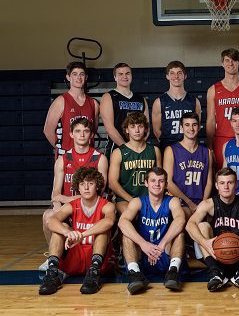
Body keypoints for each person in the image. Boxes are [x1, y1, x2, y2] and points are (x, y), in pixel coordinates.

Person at [186, 168, 239, 292]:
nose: (226, 186)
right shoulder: (208, 204)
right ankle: (215, 273)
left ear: (236, 184)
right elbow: (189, 225)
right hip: (215, 255)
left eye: (230, 182)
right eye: (222, 183)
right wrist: (204, 243)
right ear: (216, 185)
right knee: (202, 226)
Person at [38, 167, 116, 295]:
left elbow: (109, 222)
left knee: (103, 231)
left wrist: (82, 235)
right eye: (82, 184)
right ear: (77, 188)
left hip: (97, 257)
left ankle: (93, 273)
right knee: (60, 227)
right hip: (75, 256)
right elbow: (51, 221)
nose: (86, 188)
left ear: (97, 186)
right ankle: (52, 273)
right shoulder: (72, 205)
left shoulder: (107, 205)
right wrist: (67, 232)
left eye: (90, 184)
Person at [41, 118, 108, 257]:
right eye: (77, 131)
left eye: (86, 131)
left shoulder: (100, 159)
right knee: (48, 216)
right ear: (71, 134)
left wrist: (67, 198)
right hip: (69, 210)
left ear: (91, 135)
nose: (82, 135)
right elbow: (55, 192)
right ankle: (54, 257)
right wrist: (57, 206)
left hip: (90, 209)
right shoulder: (63, 160)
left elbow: (98, 192)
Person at [118, 167, 186, 294]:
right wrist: (144, 244)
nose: (157, 184)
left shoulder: (172, 201)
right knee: (126, 236)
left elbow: (180, 220)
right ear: (146, 183)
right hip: (143, 254)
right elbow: (122, 222)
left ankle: (173, 272)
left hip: (165, 252)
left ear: (166, 184)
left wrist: (162, 244)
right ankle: (135, 273)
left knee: (180, 234)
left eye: (161, 181)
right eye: (153, 180)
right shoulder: (137, 202)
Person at [206, 48, 239, 171]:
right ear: (222, 63)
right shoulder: (213, 90)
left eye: (234, 60)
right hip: (221, 139)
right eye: (227, 60)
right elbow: (210, 120)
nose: (230, 64)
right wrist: (210, 147)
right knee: (222, 177)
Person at [163, 112, 213, 219]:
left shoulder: (207, 152)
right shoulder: (171, 150)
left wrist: (203, 204)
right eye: (187, 125)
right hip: (178, 200)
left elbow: (209, 182)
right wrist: (189, 202)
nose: (191, 128)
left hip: (200, 201)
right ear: (181, 128)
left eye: (194, 125)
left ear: (199, 127)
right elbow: (168, 182)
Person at [109, 112, 162, 214]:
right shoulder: (118, 152)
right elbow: (112, 183)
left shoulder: (155, 151)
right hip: (126, 199)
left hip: (150, 198)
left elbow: (160, 178)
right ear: (127, 130)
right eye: (133, 127)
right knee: (129, 212)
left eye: (140, 126)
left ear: (146, 129)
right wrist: (132, 200)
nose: (137, 130)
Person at [43, 61, 99, 157]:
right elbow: (48, 131)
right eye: (74, 74)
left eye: (82, 74)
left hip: (88, 156)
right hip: (67, 156)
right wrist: (62, 149)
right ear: (68, 77)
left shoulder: (93, 103)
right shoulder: (61, 101)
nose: (78, 77)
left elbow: (93, 130)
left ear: (86, 78)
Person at [100, 63, 149, 160]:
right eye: (120, 74)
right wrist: (127, 148)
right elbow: (110, 128)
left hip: (139, 148)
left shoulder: (140, 99)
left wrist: (138, 146)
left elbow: (147, 126)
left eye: (127, 73)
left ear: (131, 76)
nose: (124, 76)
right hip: (117, 147)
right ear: (115, 77)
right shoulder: (108, 97)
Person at [152, 61, 202, 153]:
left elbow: (196, 127)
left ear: (185, 76)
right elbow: (156, 130)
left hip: (189, 147)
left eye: (179, 73)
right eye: (172, 73)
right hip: (167, 147)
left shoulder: (194, 101)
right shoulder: (159, 102)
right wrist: (170, 148)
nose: (176, 76)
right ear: (167, 76)